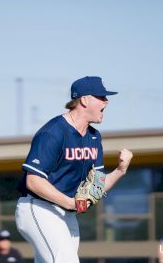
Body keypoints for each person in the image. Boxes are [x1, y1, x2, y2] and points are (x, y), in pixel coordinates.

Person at [15, 76, 133, 263]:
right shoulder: (53, 132)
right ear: (84, 100)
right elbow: (33, 180)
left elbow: (97, 185)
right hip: (39, 208)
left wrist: (120, 170)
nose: (106, 101)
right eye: (101, 97)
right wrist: (71, 203)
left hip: (67, 214)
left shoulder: (94, 137)